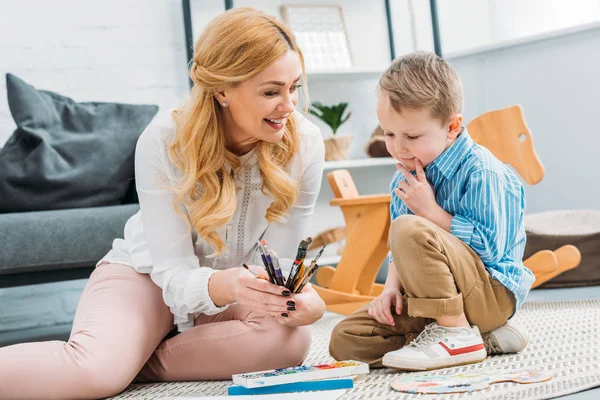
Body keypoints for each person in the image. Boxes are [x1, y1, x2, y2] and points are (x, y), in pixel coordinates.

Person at [0, 8, 326, 399]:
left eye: (294, 87)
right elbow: (172, 272)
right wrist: (228, 285)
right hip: (148, 276)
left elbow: (281, 263)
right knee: (92, 372)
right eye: (271, 92)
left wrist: (300, 302)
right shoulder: (164, 139)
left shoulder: (305, 144)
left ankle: (130, 361)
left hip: (237, 290)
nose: (289, 105)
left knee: (289, 340)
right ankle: (113, 360)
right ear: (222, 90)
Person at [329, 51, 533, 371]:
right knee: (346, 339)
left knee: (409, 226)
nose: (398, 147)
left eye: (411, 136)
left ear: (451, 127)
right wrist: (390, 290)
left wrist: (431, 212)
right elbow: (402, 247)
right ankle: (476, 337)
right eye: (389, 134)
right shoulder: (405, 175)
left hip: (491, 293)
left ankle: (456, 334)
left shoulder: (483, 172)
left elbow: (492, 249)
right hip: (433, 297)